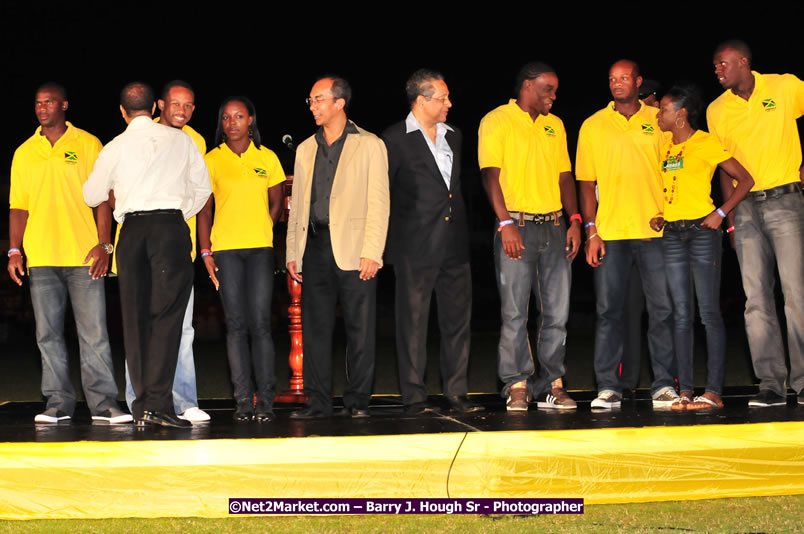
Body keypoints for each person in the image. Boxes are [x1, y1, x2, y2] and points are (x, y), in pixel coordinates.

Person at [83, 82, 211, 428]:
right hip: (169, 228)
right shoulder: (181, 141)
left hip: (132, 232)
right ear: (155, 108)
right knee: (167, 319)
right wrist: (178, 213)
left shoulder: (114, 146)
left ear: (122, 111)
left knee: (136, 320)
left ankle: (143, 407)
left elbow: (92, 194)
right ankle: (158, 405)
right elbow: (203, 189)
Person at [8, 83, 130, 424]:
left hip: (83, 256)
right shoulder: (24, 152)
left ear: (64, 105)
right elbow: (18, 206)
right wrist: (15, 250)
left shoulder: (88, 144)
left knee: (94, 334)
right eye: (37, 103)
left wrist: (105, 244)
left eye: (49, 102)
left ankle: (103, 404)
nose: (42, 108)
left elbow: (103, 198)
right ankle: (57, 404)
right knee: (47, 335)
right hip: (42, 256)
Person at [478, 62, 581, 411]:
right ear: (527, 86)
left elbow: (565, 176)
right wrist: (505, 222)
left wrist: (575, 220)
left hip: (554, 226)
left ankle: (552, 383)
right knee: (514, 312)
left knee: (556, 313)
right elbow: (490, 175)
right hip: (516, 225)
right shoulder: (497, 120)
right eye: (547, 89)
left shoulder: (556, 125)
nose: (553, 96)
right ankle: (517, 383)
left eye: (555, 90)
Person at [707, 40, 804, 407]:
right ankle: (771, 384)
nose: (717, 70)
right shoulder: (717, 110)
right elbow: (724, 168)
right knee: (756, 300)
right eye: (715, 65)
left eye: (723, 63)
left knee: (796, 295)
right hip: (745, 210)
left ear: (743, 61)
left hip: (786, 201)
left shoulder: (784, 86)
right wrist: (730, 219)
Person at [286, 76, 390, 419]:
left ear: (339, 103)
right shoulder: (306, 148)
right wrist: (293, 252)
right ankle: (317, 403)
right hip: (315, 246)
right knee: (315, 328)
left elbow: (379, 202)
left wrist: (372, 251)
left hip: (356, 248)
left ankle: (357, 401)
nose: (313, 106)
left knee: (360, 329)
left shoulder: (370, 144)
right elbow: (298, 208)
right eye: (311, 100)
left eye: (319, 99)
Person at [577, 59, 678, 409]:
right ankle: (608, 386)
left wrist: (670, 212)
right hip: (610, 232)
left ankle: (663, 384)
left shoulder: (659, 119)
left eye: (624, 78)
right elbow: (586, 183)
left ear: (638, 82)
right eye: (611, 79)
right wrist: (591, 230)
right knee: (609, 312)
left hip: (654, 232)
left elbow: (675, 166)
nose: (617, 83)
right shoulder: (593, 125)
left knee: (662, 311)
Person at [381, 69, 482, 415]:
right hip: (414, 247)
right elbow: (384, 195)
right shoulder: (393, 139)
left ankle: (456, 392)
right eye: (442, 98)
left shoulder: (455, 136)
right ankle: (414, 396)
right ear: (422, 101)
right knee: (412, 324)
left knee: (458, 322)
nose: (449, 103)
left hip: (454, 244)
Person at [650, 83, 754, 411]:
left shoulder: (706, 142)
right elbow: (671, 188)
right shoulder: (665, 147)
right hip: (671, 234)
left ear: (681, 114)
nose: (658, 115)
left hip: (702, 234)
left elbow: (745, 180)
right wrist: (661, 215)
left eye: (664, 109)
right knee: (681, 315)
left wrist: (720, 213)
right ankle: (684, 391)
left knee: (708, 313)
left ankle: (712, 392)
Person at [119, 80, 210, 423]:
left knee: (181, 329)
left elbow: (202, 191)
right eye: (176, 104)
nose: (182, 111)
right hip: (139, 246)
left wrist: (177, 219)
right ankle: (138, 401)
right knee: (139, 325)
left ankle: (183, 400)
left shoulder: (194, 141)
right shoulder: (136, 136)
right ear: (159, 105)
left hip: (174, 247)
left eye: (188, 105)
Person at [197, 96, 285, 422]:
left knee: (260, 324)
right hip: (226, 251)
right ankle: (243, 402)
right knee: (235, 325)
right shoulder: (212, 159)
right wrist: (205, 251)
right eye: (226, 117)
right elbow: (204, 210)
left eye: (238, 116)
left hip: (260, 249)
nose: (232, 122)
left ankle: (266, 402)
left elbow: (277, 202)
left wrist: (262, 227)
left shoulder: (267, 157)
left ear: (251, 120)